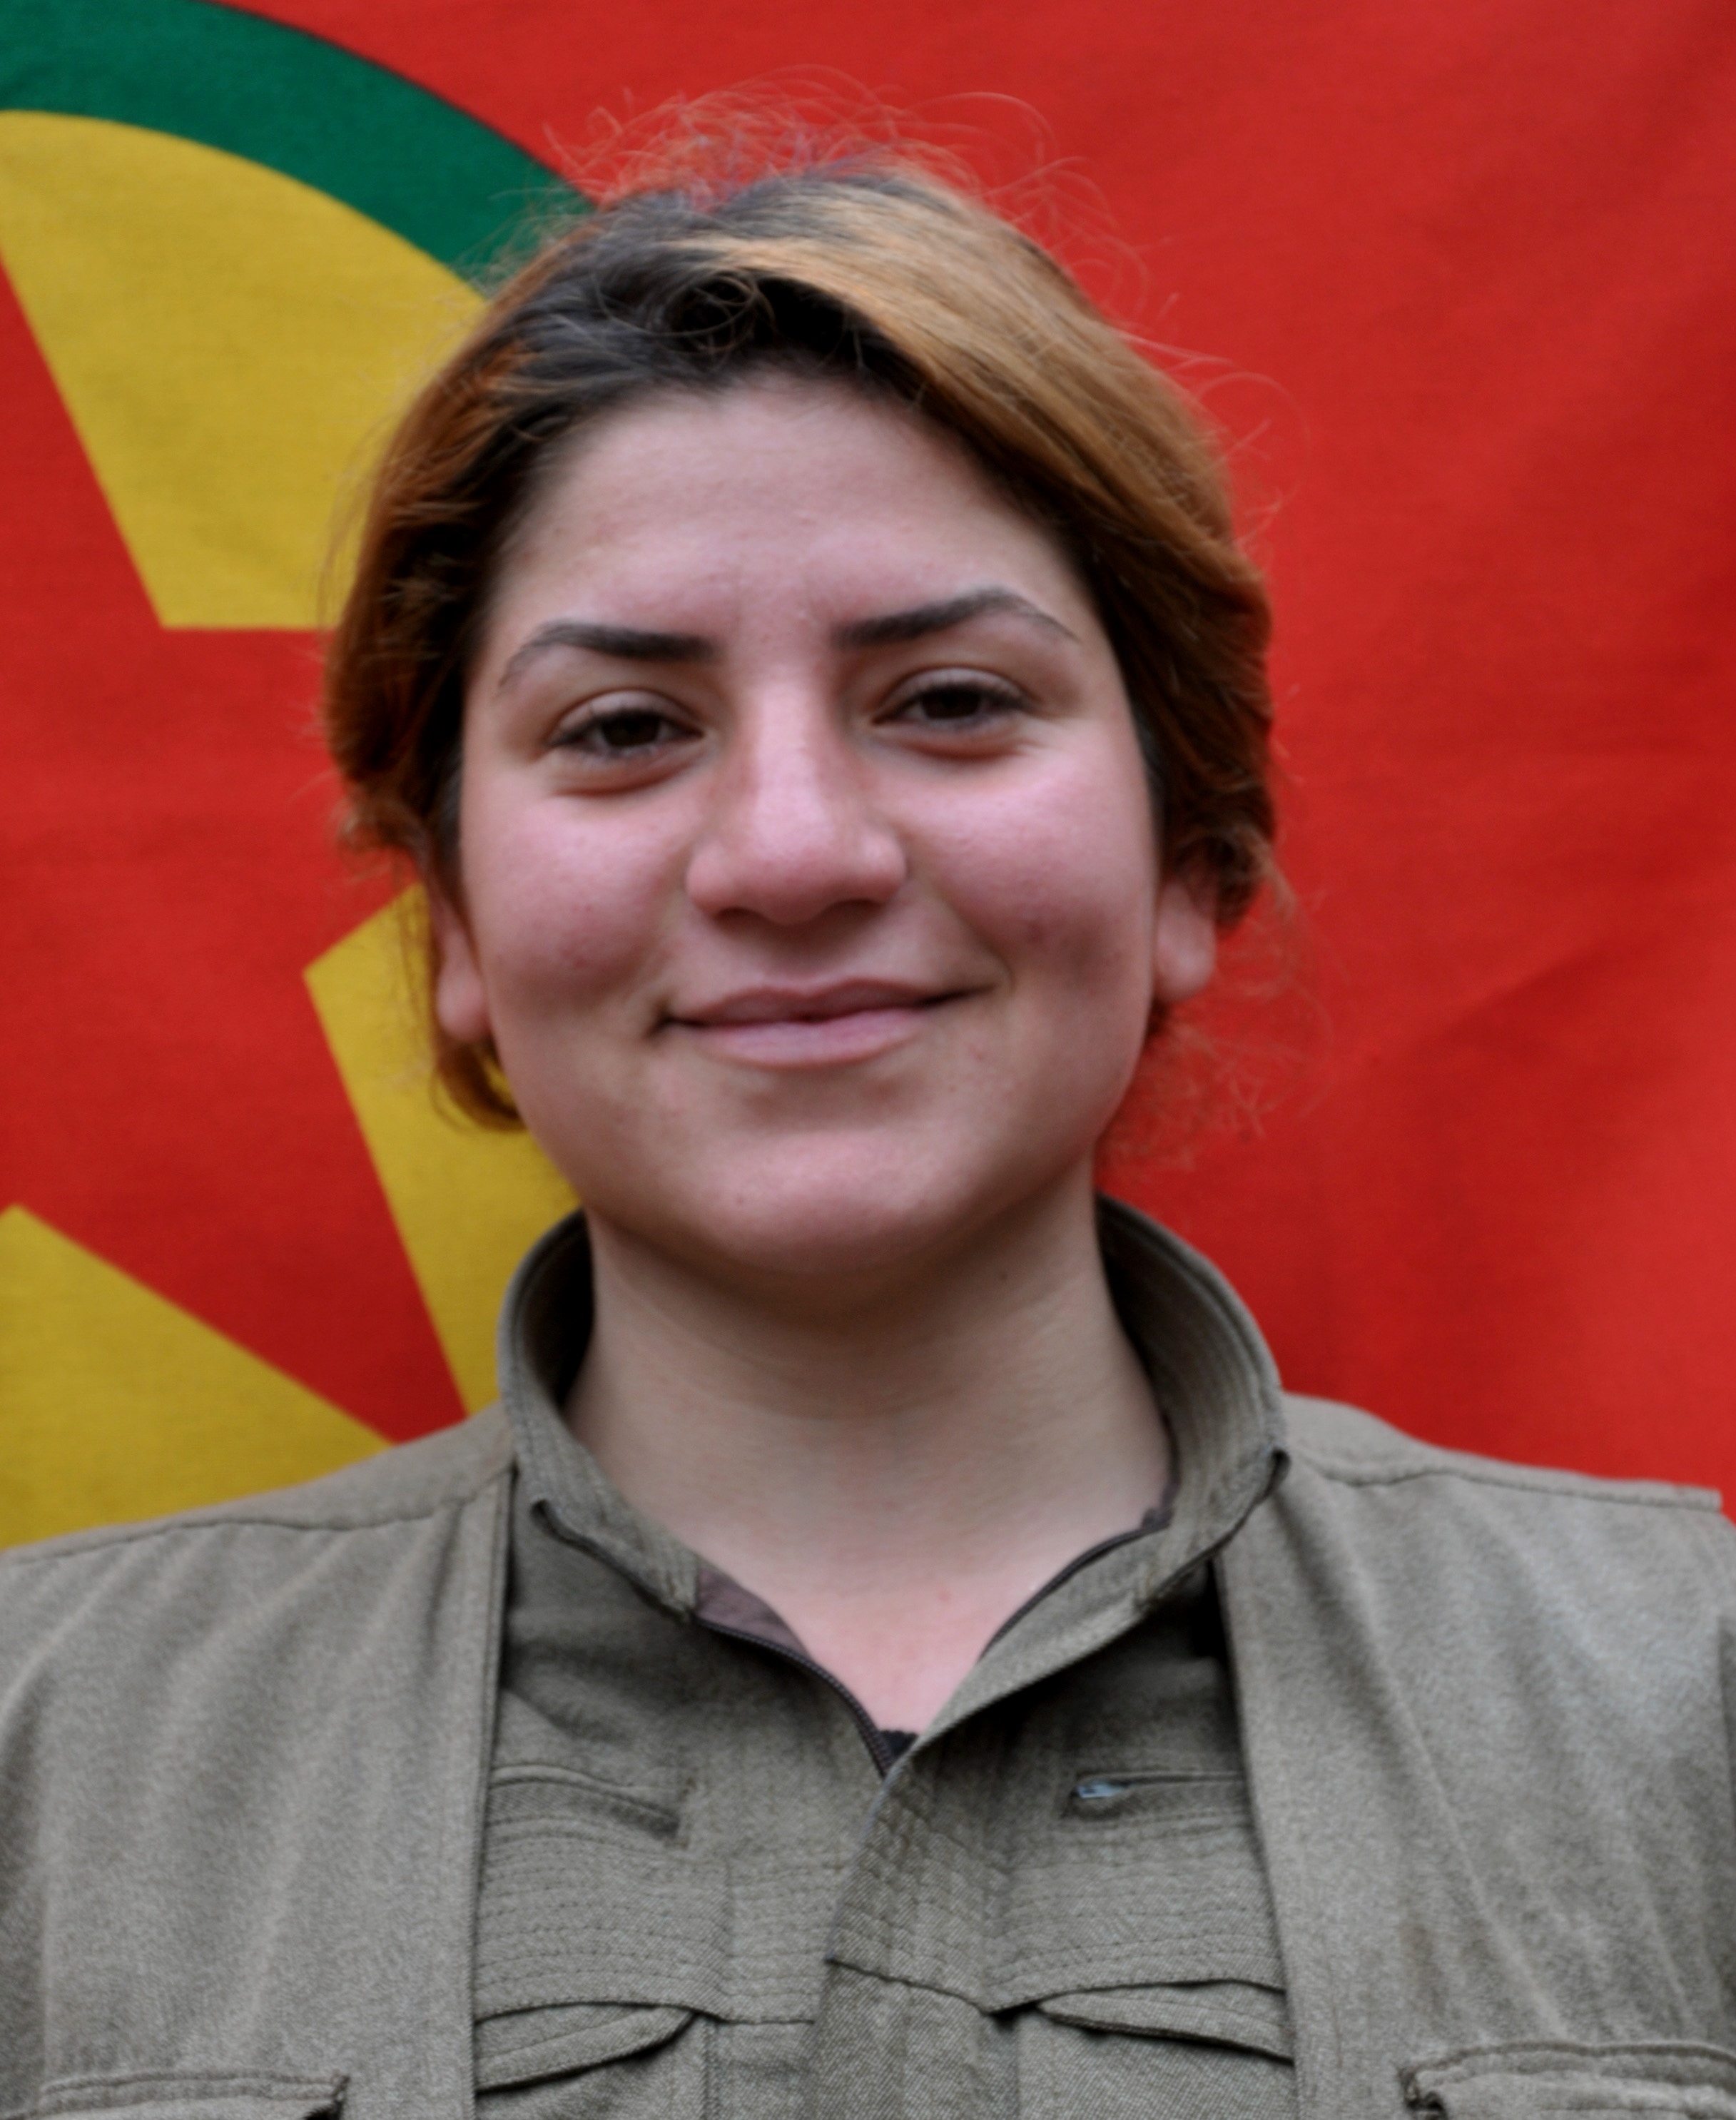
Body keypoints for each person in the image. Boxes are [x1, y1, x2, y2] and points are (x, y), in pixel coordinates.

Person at [4, 141, 1735, 2120]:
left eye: (950, 699)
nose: (794, 852)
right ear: (453, 920)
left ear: (1188, 858)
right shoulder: (45, 1751)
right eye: (625, 728)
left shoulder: (1688, 1697)